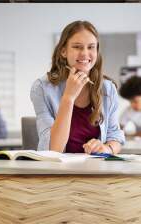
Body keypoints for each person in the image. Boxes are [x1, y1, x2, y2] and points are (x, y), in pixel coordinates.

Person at [30, 20, 125, 154]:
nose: (85, 53)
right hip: (57, 170)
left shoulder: (107, 88)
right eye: (77, 47)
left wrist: (107, 148)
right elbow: (53, 149)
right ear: (63, 51)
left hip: (96, 169)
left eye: (91, 47)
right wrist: (68, 97)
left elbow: (115, 136)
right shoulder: (42, 88)